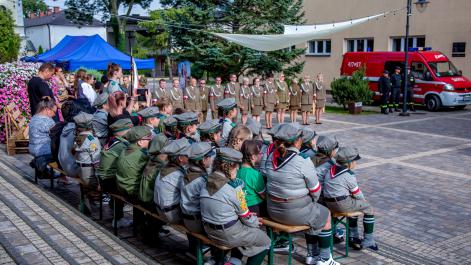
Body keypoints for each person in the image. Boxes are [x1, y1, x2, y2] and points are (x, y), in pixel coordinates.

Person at [265, 124, 337, 265]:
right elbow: (316, 190)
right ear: (297, 141)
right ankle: (324, 258)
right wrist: (312, 201)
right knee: (325, 214)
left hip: (273, 210)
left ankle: (312, 255)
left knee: (313, 213)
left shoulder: (270, 158)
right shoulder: (302, 160)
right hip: (294, 212)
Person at [200, 148, 271, 265]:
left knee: (241, 230)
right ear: (230, 167)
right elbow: (248, 220)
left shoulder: (206, 181)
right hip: (228, 233)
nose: (237, 170)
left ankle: (234, 262)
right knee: (265, 241)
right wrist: (254, 221)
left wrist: (245, 215)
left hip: (209, 231)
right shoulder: (234, 188)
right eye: (237, 167)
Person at [323, 146, 378, 251]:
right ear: (349, 162)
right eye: (355, 161)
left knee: (355, 205)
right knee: (369, 208)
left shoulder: (331, 170)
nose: (356, 163)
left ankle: (353, 236)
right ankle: (368, 240)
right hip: (342, 204)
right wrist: (364, 201)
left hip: (329, 203)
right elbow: (357, 193)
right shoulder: (348, 174)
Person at [154, 138, 191, 224]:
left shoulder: (166, 167)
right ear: (180, 158)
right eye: (188, 155)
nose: (190, 156)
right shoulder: (178, 175)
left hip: (160, 210)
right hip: (171, 214)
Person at [116, 126, 152, 198]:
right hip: (133, 191)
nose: (150, 141)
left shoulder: (124, 150)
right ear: (140, 142)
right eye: (148, 139)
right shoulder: (142, 155)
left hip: (120, 187)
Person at [28, 97, 57, 177]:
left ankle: (42, 169)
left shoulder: (34, 117)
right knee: (62, 153)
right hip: (43, 150)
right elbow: (57, 135)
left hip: (32, 148)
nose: (54, 114)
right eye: (54, 112)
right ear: (47, 109)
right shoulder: (48, 121)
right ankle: (40, 162)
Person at [237, 140, 266, 217]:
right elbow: (263, 195)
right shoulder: (255, 174)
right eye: (259, 154)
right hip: (255, 207)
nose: (261, 156)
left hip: (242, 206)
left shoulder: (236, 171)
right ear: (253, 157)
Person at [73, 112, 101, 188]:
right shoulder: (92, 140)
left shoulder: (78, 137)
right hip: (89, 176)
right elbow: (96, 160)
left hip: (79, 171)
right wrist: (100, 181)